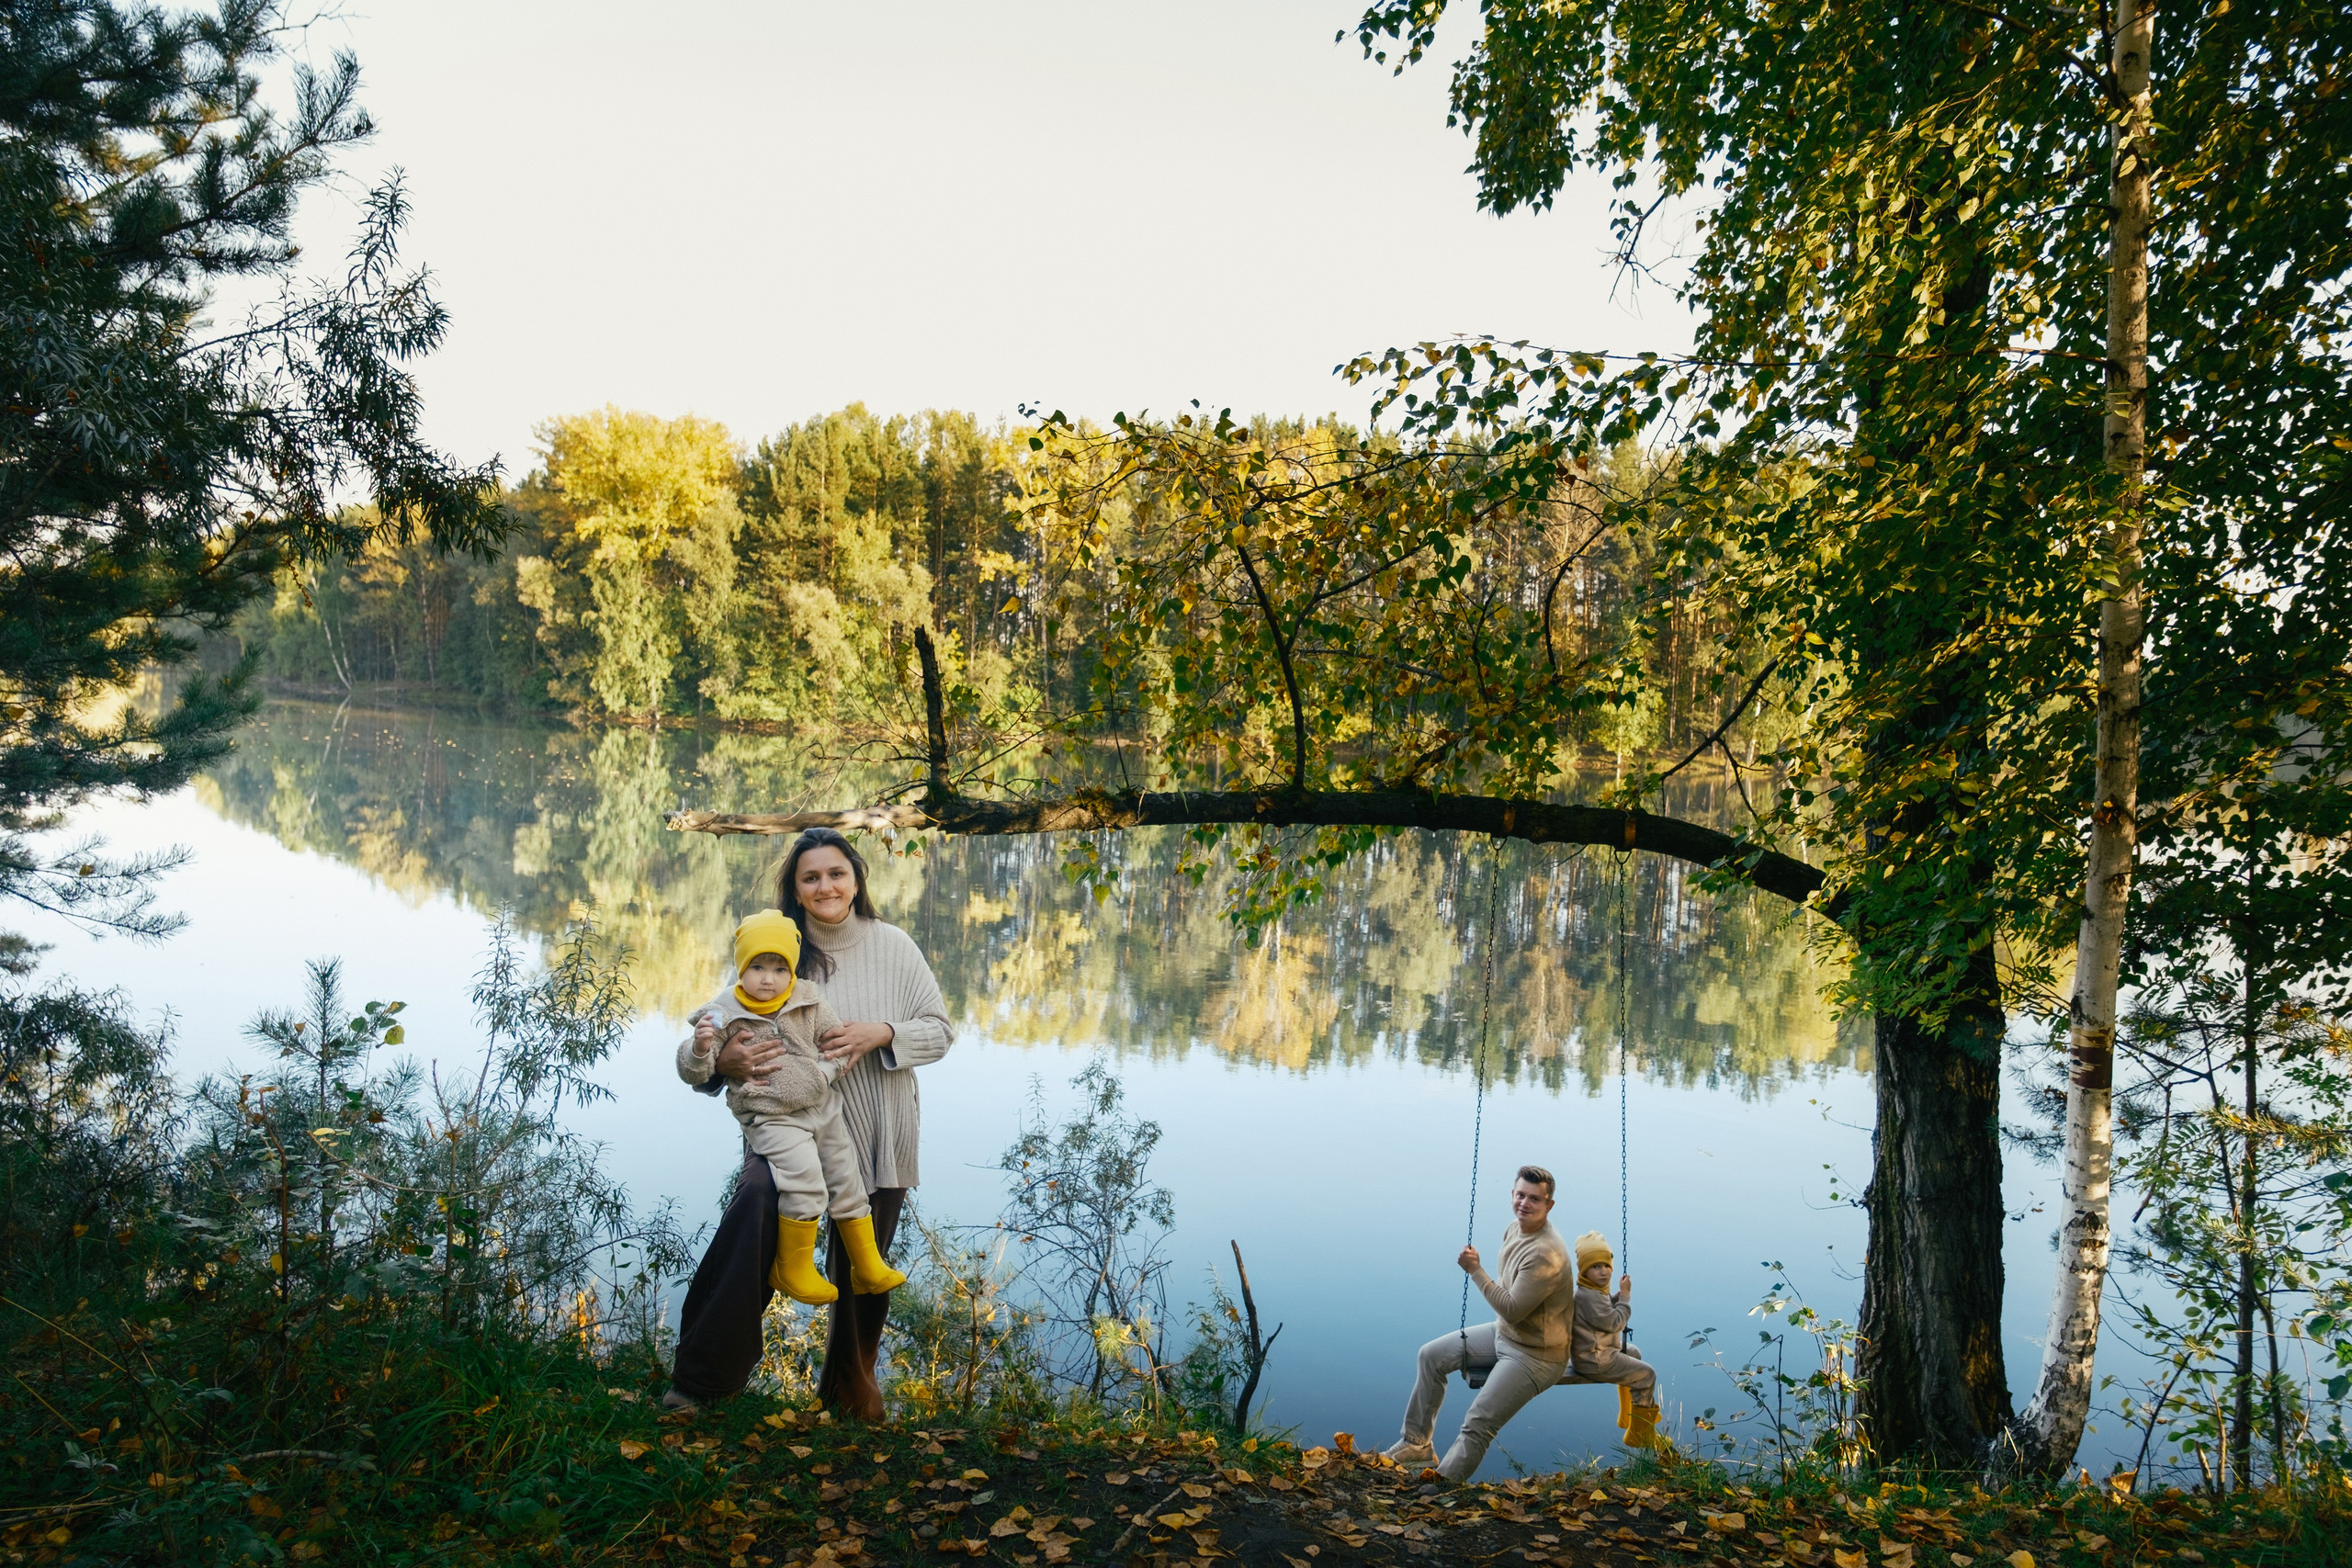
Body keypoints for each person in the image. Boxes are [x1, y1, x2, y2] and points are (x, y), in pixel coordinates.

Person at [662, 828, 954, 1418]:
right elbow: (713, 1035)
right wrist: (722, 1059)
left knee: (861, 1270)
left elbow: (941, 1030)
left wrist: (884, 1033)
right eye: (811, 877)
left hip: (878, 1127)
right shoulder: (774, 953)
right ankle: (701, 1383)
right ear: (795, 888)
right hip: (787, 1127)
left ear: (856, 880)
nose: (826, 886)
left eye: (836, 873)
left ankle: (849, 1397)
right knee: (754, 1216)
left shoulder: (894, 945)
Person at [677, 910, 903, 1305]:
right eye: (758, 966)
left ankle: (866, 1265)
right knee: (804, 1181)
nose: (769, 978)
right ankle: (792, 1266)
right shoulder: (722, 1012)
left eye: (780, 968)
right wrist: (699, 1049)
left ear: (792, 970)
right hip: (770, 1115)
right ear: (741, 968)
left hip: (822, 1107)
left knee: (847, 1180)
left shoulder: (809, 1000)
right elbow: (693, 1071)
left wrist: (823, 1073)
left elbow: (837, 1045)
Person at [1384, 1166, 1576, 1481]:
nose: (1524, 1204)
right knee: (1430, 1356)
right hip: (1505, 1334)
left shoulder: (1546, 1253)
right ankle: (1416, 1444)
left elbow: (1512, 1309)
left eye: (1534, 1199)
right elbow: (1509, 1308)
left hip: (1537, 1355)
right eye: (1520, 1195)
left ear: (1549, 1205)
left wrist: (1475, 1270)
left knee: (1479, 1421)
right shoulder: (1514, 1229)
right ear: (1512, 1195)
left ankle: (1442, 1486)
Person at [1570, 1231, 1662, 1449]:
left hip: (1595, 1352)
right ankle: (1640, 1435)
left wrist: (1615, 1298)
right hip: (1596, 1359)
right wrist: (1626, 1297)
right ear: (1584, 1270)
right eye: (1595, 1267)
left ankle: (1628, 1417)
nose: (1604, 1272)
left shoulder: (1591, 1291)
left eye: (1607, 1265)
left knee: (1633, 1353)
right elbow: (1614, 1323)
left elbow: (1602, 1311)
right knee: (1647, 1375)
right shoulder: (1589, 1296)